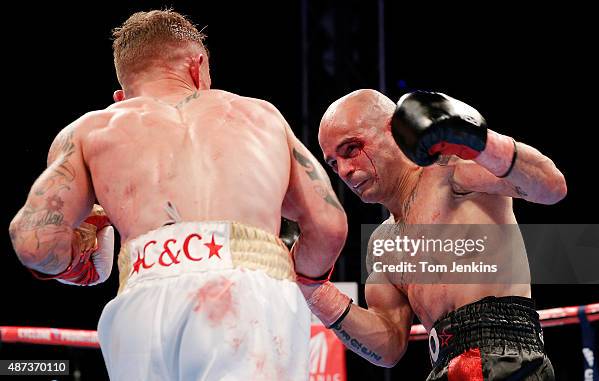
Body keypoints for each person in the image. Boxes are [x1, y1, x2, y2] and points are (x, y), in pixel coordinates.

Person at [9, 9, 347, 381]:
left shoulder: (93, 130)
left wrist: (79, 257)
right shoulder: (259, 116)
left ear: (121, 97)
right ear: (197, 67)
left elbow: (33, 242)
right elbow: (329, 226)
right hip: (246, 295)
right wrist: (295, 275)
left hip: (141, 303)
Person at [300, 89, 566, 380]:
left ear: (392, 130)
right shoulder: (382, 244)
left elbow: (552, 187)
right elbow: (389, 348)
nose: (346, 170)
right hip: (444, 367)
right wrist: (314, 289)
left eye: (351, 149)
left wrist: (477, 141)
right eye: (334, 163)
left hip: (504, 358)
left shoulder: (449, 168)